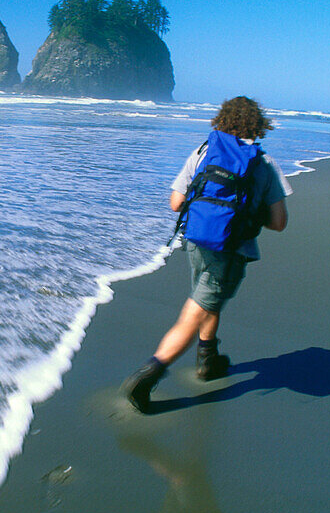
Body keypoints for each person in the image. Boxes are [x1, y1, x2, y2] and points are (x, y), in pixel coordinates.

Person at [122, 96, 291, 413]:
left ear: (222, 121)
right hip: (231, 250)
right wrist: (248, 212)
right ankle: (149, 373)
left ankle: (208, 359)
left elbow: (175, 202)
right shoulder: (264, 164)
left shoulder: (203, 152)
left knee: (208, 300)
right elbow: (279, 222)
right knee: (198, 308)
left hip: (196, 241)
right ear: (258, 125)